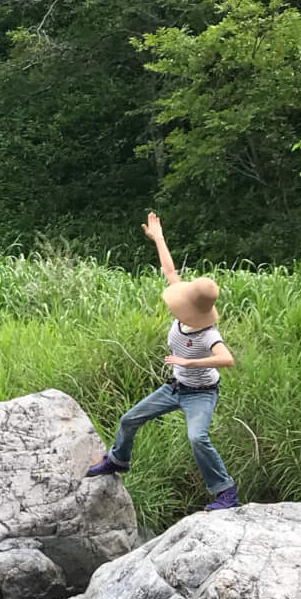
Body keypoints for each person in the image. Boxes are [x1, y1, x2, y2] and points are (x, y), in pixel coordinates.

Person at [86, 212, 240, 510]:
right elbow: (169, 271)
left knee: (197, 438)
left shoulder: (209, 334)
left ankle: (226, 492)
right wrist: (159, 238)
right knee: (129, 419)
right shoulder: (184, 313)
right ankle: (117, 460)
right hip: (175, 388)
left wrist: (189, 362)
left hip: (201, 394)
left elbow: (227, 359)